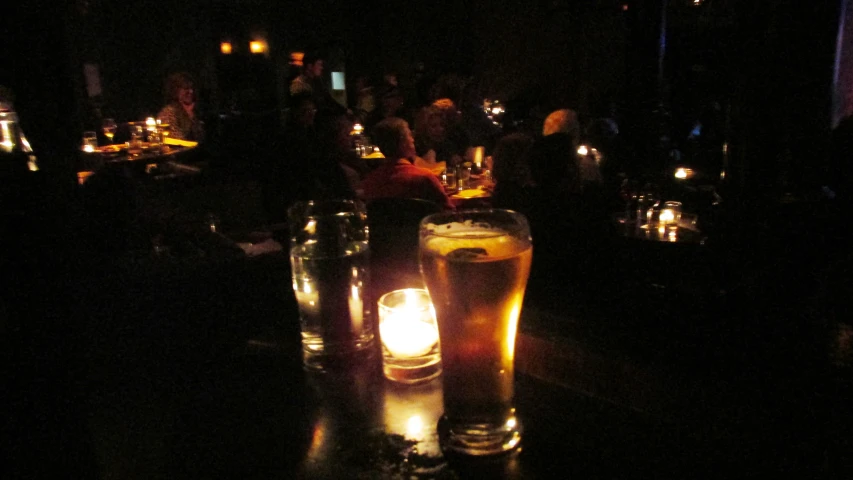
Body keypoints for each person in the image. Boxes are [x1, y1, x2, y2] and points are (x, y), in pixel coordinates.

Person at [360, 117, 453, 210]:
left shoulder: (369, 182)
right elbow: (448, 212)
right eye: (409, 135)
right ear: (403, 142)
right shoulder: (424, 178)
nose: (413, 139)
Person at [289, 52, 344, 116]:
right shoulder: (298, 84)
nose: (321, 67)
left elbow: (328, 99)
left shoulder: (318, 82)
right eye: (319, 64)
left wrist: (344, 111)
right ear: (310, 66)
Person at [157, 72, 204, 142]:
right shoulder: (168, 113)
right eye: (186, 88)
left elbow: (201, 138)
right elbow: (177, 140)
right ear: (176, 91)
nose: (191, 91)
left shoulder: (195, 110)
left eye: (192, 88)